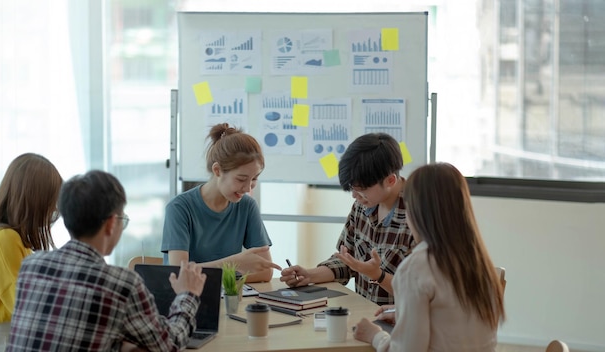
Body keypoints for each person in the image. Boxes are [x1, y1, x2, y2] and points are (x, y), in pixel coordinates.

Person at [7, 170, 206, 352]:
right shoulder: (121, 284)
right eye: (123, 220)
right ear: (111, 224)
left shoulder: (30, 266)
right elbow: (168, 345)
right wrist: (188, 294)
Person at [352, 162, 506, 351]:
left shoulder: (415, 268)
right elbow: (453, 322)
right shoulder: (479, 263)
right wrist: (403, 313)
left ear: (417, 212)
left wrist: (375, 335)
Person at [280, 133, 415, 305]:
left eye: (361, 190)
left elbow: (418, 291)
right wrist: (310, 275)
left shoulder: (417, 214)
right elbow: (346, 261)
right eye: (352, 188)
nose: (354, 196)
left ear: (390, 180)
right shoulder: (362, 206)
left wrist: (377, 275)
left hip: (401, 323)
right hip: (366, 316)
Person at [161, 123, 281, 283]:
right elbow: (181, 275)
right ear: (217, 170)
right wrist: (234, 265)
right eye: (241, 179)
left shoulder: (247, 206)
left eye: (255, 179)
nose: (247, 188)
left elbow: (265, 273)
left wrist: (220, 272)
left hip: (230, 300)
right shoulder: (179, 208)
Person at [0, 153, 62, 352]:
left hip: (2, 333)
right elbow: (22, 303)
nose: (53, 208)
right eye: (50, 200)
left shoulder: (13, 238)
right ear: (35, 200)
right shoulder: (4, 239)